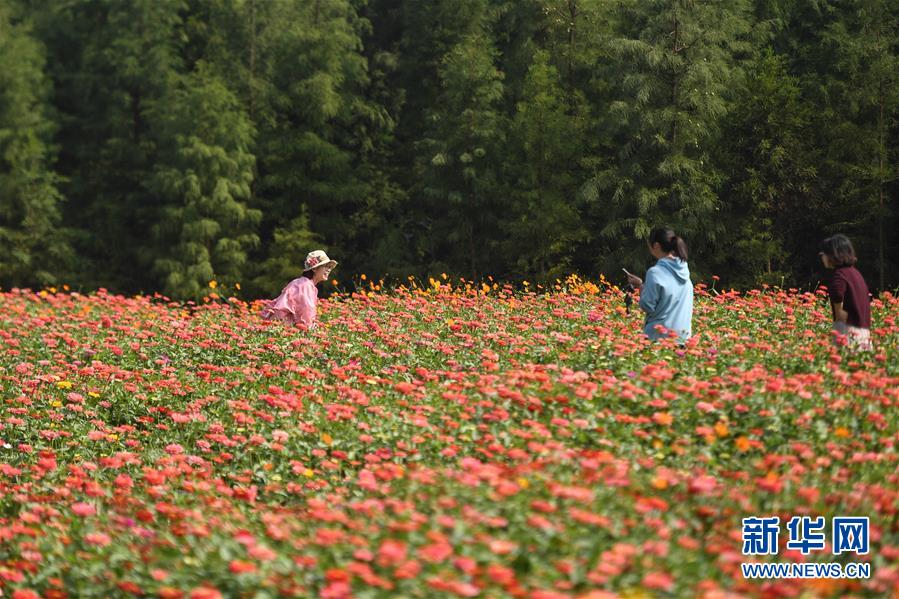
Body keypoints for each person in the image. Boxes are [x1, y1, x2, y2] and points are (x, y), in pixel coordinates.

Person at [625, 227, 693, 344]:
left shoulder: (655, 272)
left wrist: (641, 289)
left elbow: (647, 305)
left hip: (659, 338)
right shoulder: (684, 271)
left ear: (656, 245)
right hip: (682, 338)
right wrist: (641, 284)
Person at [819, 234, 873, 352]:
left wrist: (839, 314)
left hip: (848, 334)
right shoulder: (855, 273)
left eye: (823, 254)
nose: (822, 257)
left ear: (832, 255)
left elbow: (839, 308)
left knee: (844, 368)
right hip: (864, 333)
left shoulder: (839, 276)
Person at [261, 250, 337, 329]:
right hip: (282, 329)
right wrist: (310, 331)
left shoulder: (303, 283)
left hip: (279, 327)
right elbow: (306, 313)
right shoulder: (305, 286)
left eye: (329, 267)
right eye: (325, 266)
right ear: (314, 269)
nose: (329, 270)